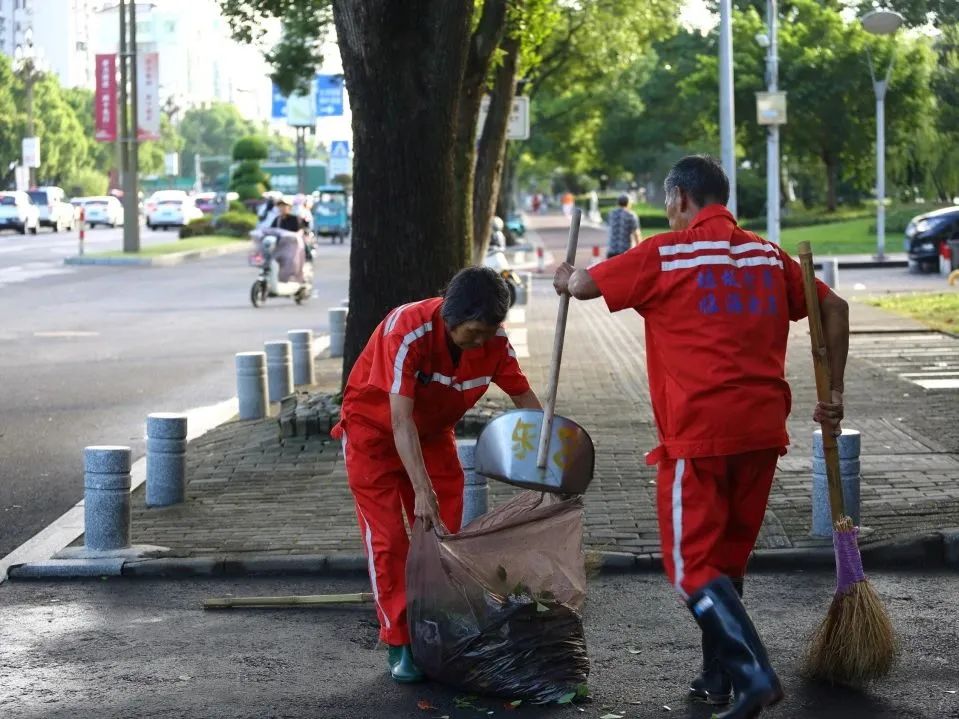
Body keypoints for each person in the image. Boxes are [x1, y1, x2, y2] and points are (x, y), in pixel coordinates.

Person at [552, 155, 849, 719]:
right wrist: (834, 394)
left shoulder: (667, 252)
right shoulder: (766, 253)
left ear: (681, 198)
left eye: (668, 204)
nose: (667, 213)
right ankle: (718, 679)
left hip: (699, 433)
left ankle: (755, 675)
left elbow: (587, 284)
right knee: (726, 561)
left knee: (690, 565)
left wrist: (567, 277)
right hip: (763, 432)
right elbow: (832, 306)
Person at [331, 267, 542, 684]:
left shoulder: (495, 343)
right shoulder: (405, 331)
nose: (480, 342)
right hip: (374, 434)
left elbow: (525, 399)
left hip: (431, 434)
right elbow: (399, 421)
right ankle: (399, 640)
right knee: (390, 538)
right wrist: (420, 489)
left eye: (488, 332)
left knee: (445, 533)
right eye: (472, 333)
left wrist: (552, 456)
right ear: (449, 315)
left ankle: (436, 624)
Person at [606, 193, 641, 259]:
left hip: (611, 251)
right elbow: (637, 234)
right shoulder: (631, 215)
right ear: (628, 203)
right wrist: (640, 250)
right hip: (626, 252)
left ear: (618, 203)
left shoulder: (611, 214)